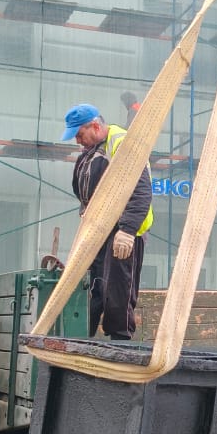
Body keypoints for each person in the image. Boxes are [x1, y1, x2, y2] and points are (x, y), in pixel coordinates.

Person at [62, 102, 153, 340]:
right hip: (100, 233)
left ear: (94, 126)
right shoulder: (91, 151)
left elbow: (141, 190)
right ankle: (81, 343)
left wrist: (128, 230)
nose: (77, 141)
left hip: (122, 235)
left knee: (118, 295)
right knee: (94, 291)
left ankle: (120, 346)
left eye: (80, 135)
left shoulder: (122, 143)